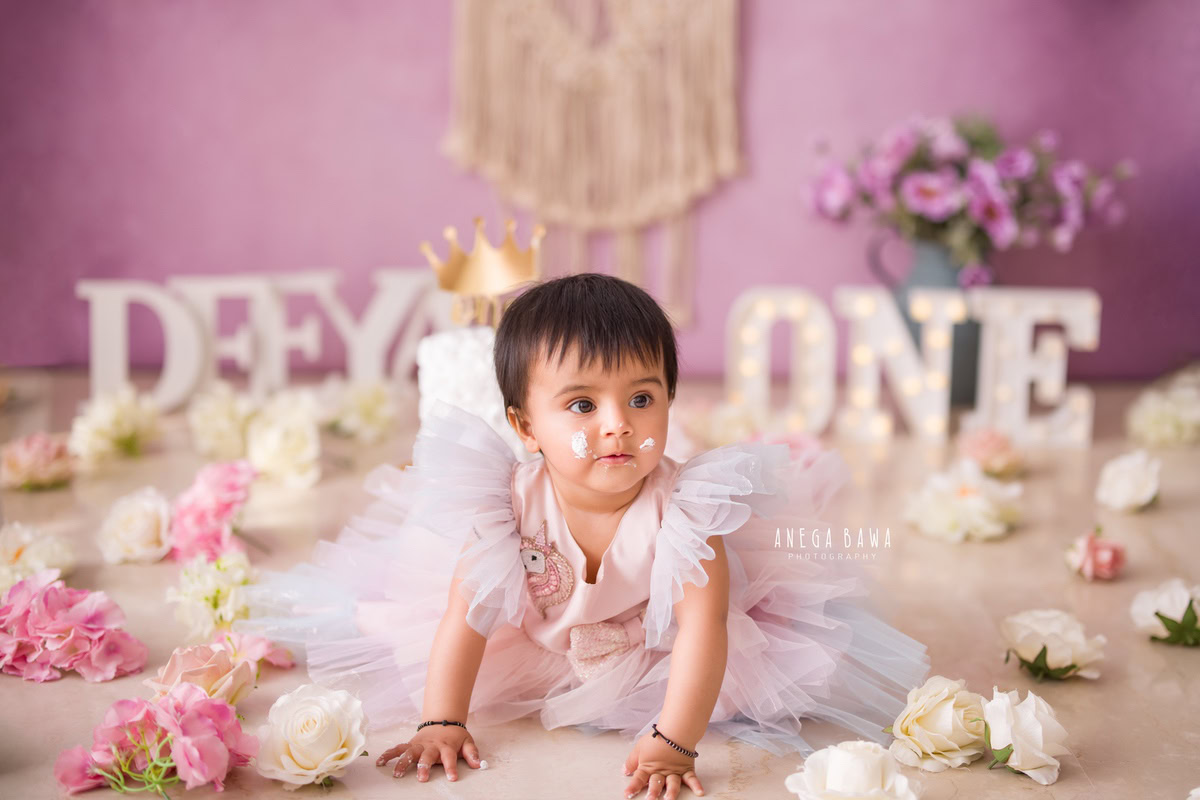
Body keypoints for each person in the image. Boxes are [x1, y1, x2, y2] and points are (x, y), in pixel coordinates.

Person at [238, 273, 929, 800]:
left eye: (642, 398)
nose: (617, 423)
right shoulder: (506, 505)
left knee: (744, 682)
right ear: (525, 426)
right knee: (396, 629)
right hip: (537, 640)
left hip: (654, 649)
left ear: (669, 400)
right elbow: (467, 617)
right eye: (582, 404)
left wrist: (673, 740)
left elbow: (703, 628)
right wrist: (441, 719)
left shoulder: (689, 509)